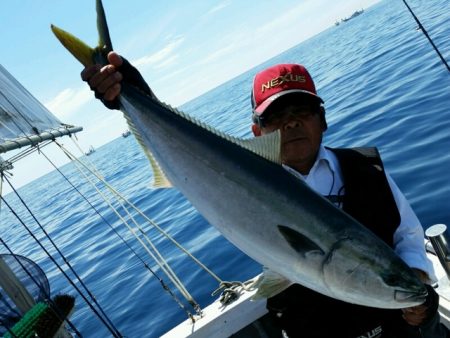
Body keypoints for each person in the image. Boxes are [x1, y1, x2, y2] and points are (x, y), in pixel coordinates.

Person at [82, 52, 447, 338]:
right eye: (276, 117)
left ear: (323, 118)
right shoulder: (229, 175)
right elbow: (189, 148)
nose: (291, 123)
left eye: (302, 110)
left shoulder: (367, 168)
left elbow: (408, 236)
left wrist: (416, 284)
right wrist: (131, 94)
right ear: (258, 132)